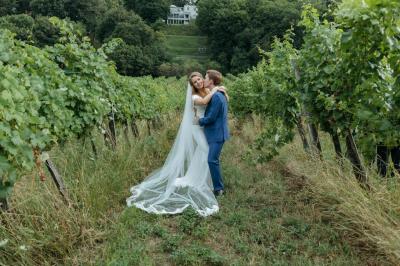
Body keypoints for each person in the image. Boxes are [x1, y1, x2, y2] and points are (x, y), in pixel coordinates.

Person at [126, 72, 227, 216]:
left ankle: (201, 178)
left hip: (205, 127)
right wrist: (216, 89)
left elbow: (215, 100)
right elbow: (205, 102)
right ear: (192, 86)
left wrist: (219, 90)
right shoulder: (195, 96)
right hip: (197, 127)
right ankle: (202, 181)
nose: (198, 82)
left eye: (199, 79)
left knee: (204, 152)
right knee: (206, 151)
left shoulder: (207, 91)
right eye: (195, 82)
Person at [194, 70, 230, 196]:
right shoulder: (218, 93)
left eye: (205, 77)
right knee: (212, 159)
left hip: (217, 133)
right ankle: (215, 185)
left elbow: (211, 118)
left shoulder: (216, 96)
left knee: (212, 160)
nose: (203, 79)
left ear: (211, 81)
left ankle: (218, 189)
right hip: (217, 132)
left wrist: (199, 121)